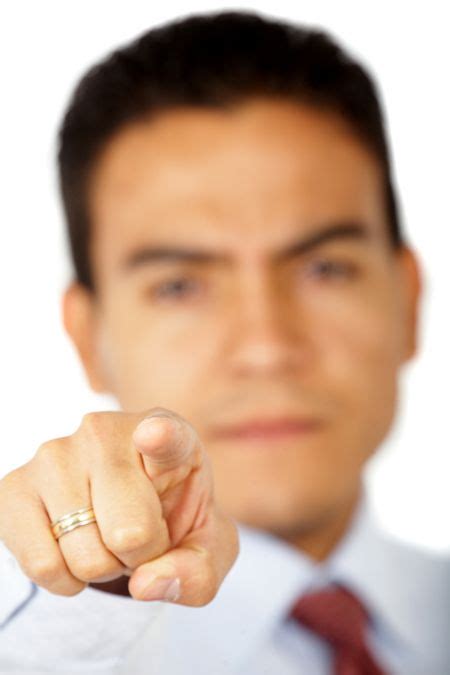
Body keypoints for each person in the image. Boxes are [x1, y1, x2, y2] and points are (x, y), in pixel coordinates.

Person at [0, 9, 448, 675]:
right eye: (180, 286)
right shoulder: (49, 647)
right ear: (87, 336)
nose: (267, 347)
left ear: (408, 300)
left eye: (324, 269)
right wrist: (80, 610)